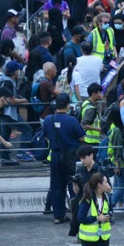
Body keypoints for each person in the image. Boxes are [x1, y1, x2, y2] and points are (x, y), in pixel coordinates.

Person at [42, 93, 86, 224]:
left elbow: (45, 135)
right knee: (74, 184)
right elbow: (82, 138)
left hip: (54, 155)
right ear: (68, 105)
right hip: (70, 156)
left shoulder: (48, 120)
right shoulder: (72, 120)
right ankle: (76, 214)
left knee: (56, 186)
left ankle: (58, 216)